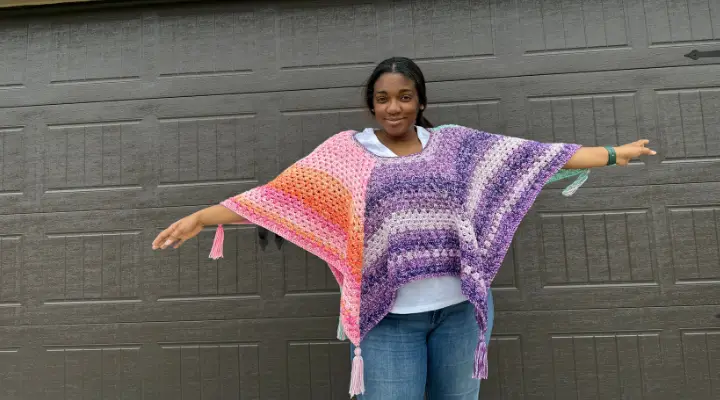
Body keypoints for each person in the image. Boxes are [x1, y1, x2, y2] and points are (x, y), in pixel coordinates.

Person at [152, 57, 655, 399]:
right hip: (387, 318)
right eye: (384, 97)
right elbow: (279, 199)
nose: (394, 107)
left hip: (460, 312)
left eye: (405, 96)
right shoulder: (345, 153)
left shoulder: (455, 145)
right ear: (371, 103)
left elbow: (535, 158)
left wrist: (614, 154)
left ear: (420, 100)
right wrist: (204, 216)